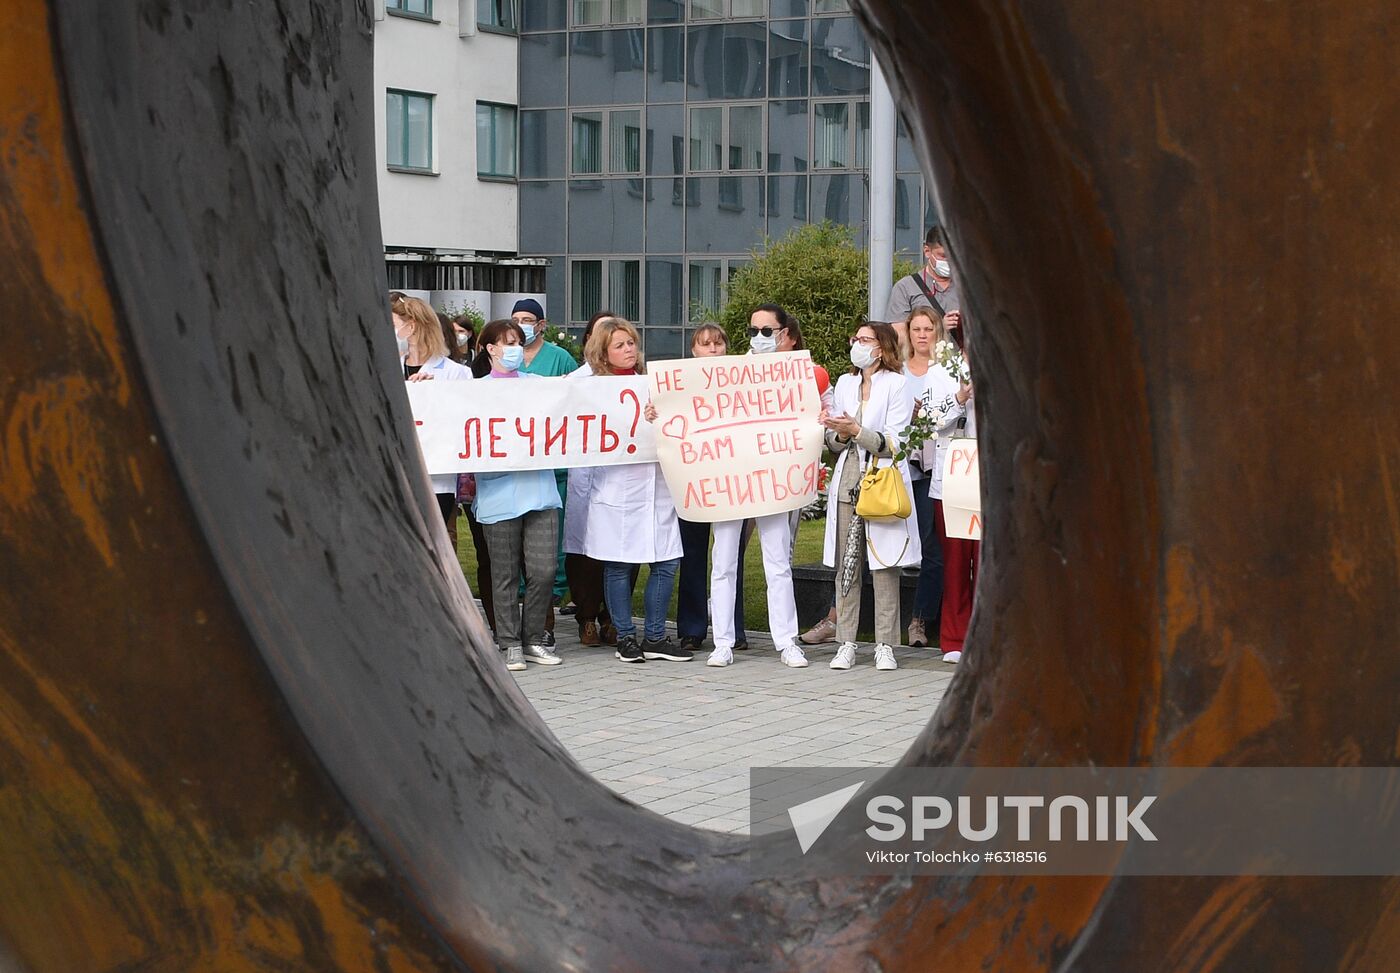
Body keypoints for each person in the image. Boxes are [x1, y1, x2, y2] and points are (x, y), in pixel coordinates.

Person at [575, 317, 690, 664]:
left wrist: (662, 414)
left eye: (631, 343)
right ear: (603, 352)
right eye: (620, 345)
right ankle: (626, 637)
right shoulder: (591, 389)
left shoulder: (653, 384)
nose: (629, 350)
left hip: (657, 485)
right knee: (619, 565)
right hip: (617, 487)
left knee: (667, 561)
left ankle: (654, 636)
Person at [819, 321, 921, 671]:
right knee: (848, 564)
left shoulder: (897, 384)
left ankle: (885, 644)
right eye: (855, 339)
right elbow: (832, 442)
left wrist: (857, 431)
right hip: (848, 479)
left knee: (884, 565)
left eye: (865, 340)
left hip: (881, 480)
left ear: (882, 348)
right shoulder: (846, 384)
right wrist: (841, 434)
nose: (857, 344)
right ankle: (846, 641)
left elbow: (894, 442)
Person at [469, 320, 564, 672]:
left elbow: (579, 396)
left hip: (539, 492)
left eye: (518, 342)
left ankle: (535, 637)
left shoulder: (538, 387)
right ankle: (509, 642)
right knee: (505, 574)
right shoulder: (474, 391)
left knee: (543, 570)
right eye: (507, 342)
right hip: (499, 494)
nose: (514, 348)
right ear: (490, 348)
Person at [672, 324, 751, 655]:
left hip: (731, 479)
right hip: (693, 479)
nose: (713, 350)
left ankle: (732, 628)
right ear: (694, 351)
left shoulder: (739, 384)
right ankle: (691, 628)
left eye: (719, 344)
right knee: (692, 554)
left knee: (730, 556)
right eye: (706, 345)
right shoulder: (678, 385)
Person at [511, 298, 576, 646]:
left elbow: (574, 399)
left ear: (541, 324)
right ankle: (520, 605)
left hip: (553, 464)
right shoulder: (506, 357)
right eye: (516, 319)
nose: (522, 325)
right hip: (515, 465)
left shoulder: (560, 358)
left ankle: (550, 601)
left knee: (552, 541)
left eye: (528, 320)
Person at [563, 311, 622, 646]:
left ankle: (613, 617)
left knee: (622, 548)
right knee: (584, 553)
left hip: (621, 479)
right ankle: (587, 617)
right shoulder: (575, 382)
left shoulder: (632, 381)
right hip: (587, 477)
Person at [390, 293, 472, 530]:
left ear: (411, 326)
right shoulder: (387, 368)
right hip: (396, 472)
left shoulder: (456, 373)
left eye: (393, 326)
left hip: (436, 477)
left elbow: (464, 420)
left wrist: (435, 393)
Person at [903, 305, 958, 648]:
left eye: (928, 329)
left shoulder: (949, 371)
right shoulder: (897, 371)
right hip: (901, 463)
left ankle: (920, 619)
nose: (922, 335)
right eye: (916, 329)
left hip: (936, 465)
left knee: (932, 545)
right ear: (908, 333)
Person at [927, 309, 977, 664]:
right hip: (955, 473)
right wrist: (958, 399)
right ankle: (955, 638)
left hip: (994, 474)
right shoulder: (940, 369)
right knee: (957, 560)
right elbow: (929, 419)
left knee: (990, 561)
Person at [884, 225, 961, 323]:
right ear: (927, 251)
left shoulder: (969, 287)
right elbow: (899, 332)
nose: (949, 261)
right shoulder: (906, 287)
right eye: (943, 256)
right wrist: (940, 328)